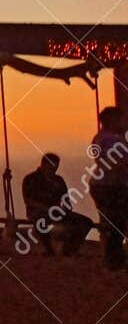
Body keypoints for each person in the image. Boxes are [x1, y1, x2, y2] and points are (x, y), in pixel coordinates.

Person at [22, 153, 92, 255]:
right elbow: (28, 201)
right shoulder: (31, 179)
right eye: (51, 168)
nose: (53, 171)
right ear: (43, 165)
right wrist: (47, 209)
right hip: (37, 212)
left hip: (56, 212)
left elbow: (66, 199)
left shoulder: (58, 180)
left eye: (55, 168)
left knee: (86, 222)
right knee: (41, 220)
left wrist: (66, 208)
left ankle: (70, 249)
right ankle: (48, 249)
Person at [89, 107, 128, 270]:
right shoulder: (113, 140)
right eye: (121, 119)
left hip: (102, 185)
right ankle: (114, 260)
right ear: (113, 120)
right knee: (118, 221)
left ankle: (113, 258)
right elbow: (115, 164)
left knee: (113, 222)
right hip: (111, 186)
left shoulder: (100, 137)